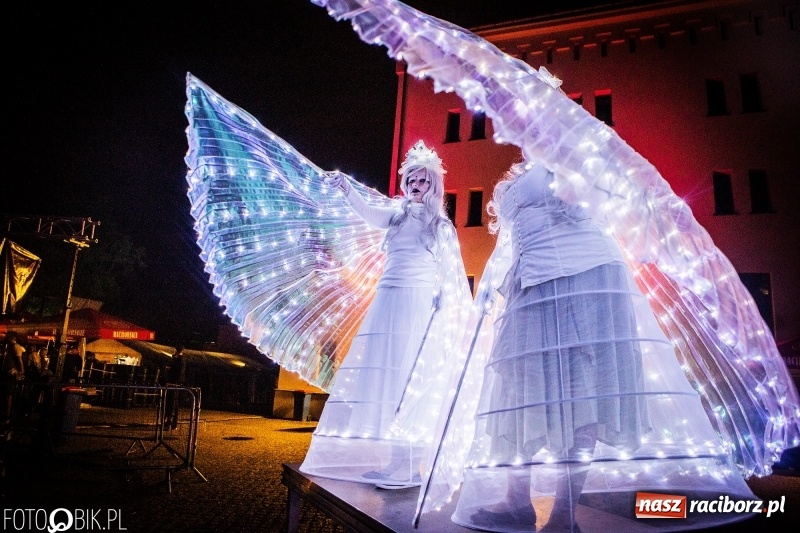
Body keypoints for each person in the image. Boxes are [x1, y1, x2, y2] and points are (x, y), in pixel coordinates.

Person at [443, 161, 757, 532]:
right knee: (519, 387)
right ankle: (517, 501)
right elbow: (513, 231)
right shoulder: (523, 174)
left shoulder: (574, 156)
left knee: (582, 390)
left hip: (585, 278)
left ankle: (563, 513)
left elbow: (589, 202)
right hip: (531, 281)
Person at [299, 141, 470, 488]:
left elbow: (450, 271)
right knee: (389, 382)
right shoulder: (395, 215)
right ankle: (395, 462)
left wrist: (442, 302)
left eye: (423, 182)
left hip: (416, 306)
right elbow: (366, 213)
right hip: (388, 302)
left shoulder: (440, 226)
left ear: (434, 186)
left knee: (408, 380)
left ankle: (409, 466)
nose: (416, 187)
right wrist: (347, 188)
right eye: (411, 180)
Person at [1, 333, 26, 423]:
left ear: (13, 338)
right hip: (8, 373)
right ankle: (6, 414)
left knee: (8, 394)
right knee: (6, 394)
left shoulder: (15, 347)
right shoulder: (10, 347)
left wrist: (21, 372)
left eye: (8, 337)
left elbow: (19, 361)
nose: (6, 338)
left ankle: (8, 416)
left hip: (10, 374)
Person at [164, 344, 187, 430]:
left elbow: (179, 373)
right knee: (172, 402)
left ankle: (171, 421)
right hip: (173, 383)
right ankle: (170, 421)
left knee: (172, 402)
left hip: (174, 384)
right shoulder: (179, 360)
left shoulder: (180, 361)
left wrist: (174, 381)